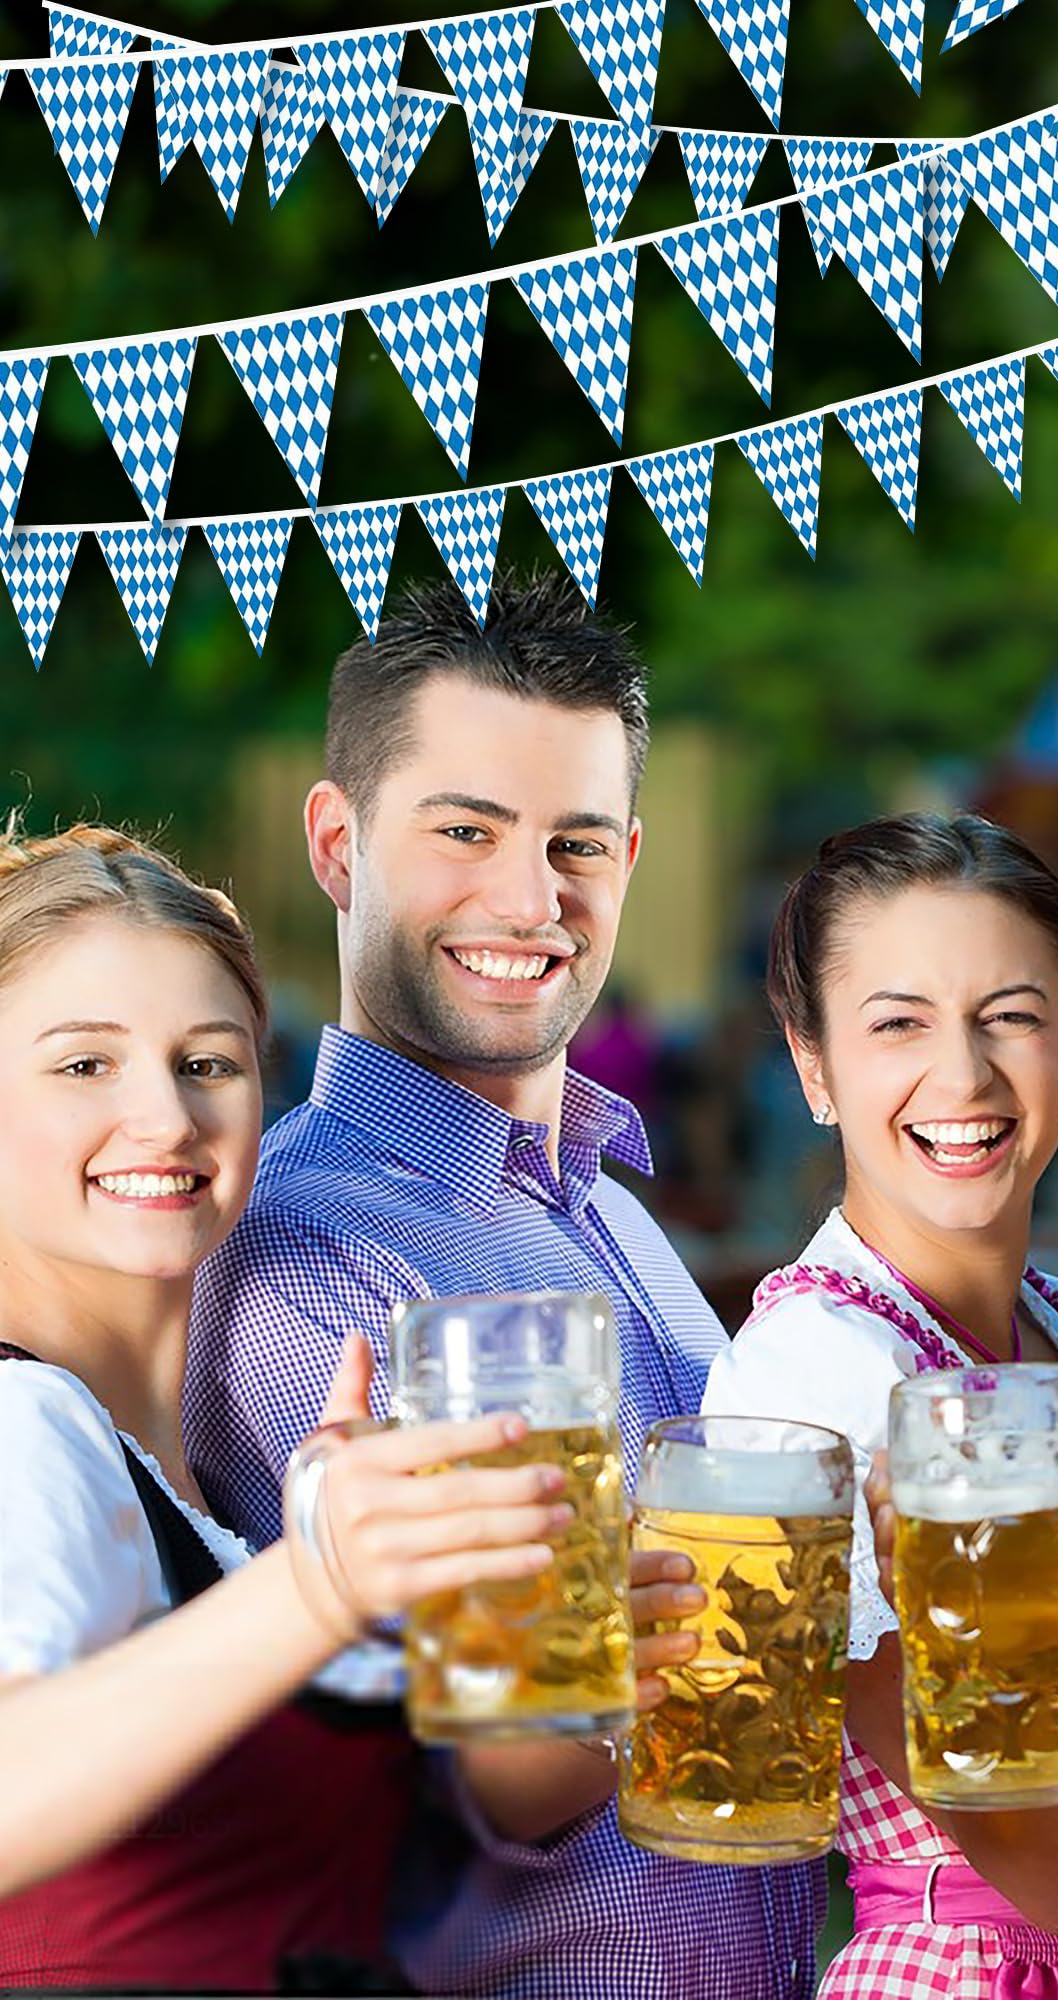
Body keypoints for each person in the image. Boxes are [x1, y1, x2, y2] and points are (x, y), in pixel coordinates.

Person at [184, 573, 821, 2000]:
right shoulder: (299, 1252)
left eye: (576, 844)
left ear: (630, 858)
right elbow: (453, 1771)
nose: (532, 901)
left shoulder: (612, 1209)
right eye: (466, 831)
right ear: (337, 843)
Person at [0, 825, 682, 1988]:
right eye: (83, 1064)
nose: (166, 1115)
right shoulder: (27, 1425)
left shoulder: (182, 1476)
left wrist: (593, 1668)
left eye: (208, 1061)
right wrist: (318, 1582)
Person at [702, 812, 1058, 1998]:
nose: (962, 1075)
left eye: (1009, 1014)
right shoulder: (813, 1372)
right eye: (897, 1023)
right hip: (982, 1967)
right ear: (813, 1066)